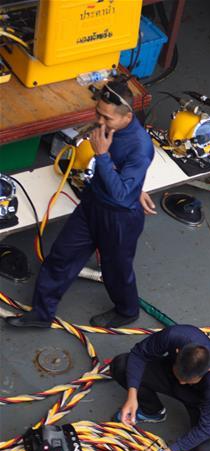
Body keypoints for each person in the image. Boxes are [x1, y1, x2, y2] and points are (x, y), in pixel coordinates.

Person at [6, 80, 155, 330]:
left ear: (127, 116)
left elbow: (120, 195)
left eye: (107, 118)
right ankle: (42, 314)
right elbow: (123, 179)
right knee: (60, 257)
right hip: (92, 206)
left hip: (119, 219)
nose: (100, 121)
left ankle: (127, 310)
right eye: (98, 113)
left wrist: (102, 155)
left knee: (116, 270)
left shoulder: (140, 147)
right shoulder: (108, 130)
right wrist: (135, 186)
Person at [110, 324, 210, 451]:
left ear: (207, 371)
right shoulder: (174, 336)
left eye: (188, 381)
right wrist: (132, 395)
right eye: (181, 377)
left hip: (202, 398)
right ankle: (152, 411)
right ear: (178, 352)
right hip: (171, 375)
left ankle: (196, 400)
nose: (183, 383)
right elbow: (139, 354)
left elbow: (207, 428)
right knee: (121, 365)